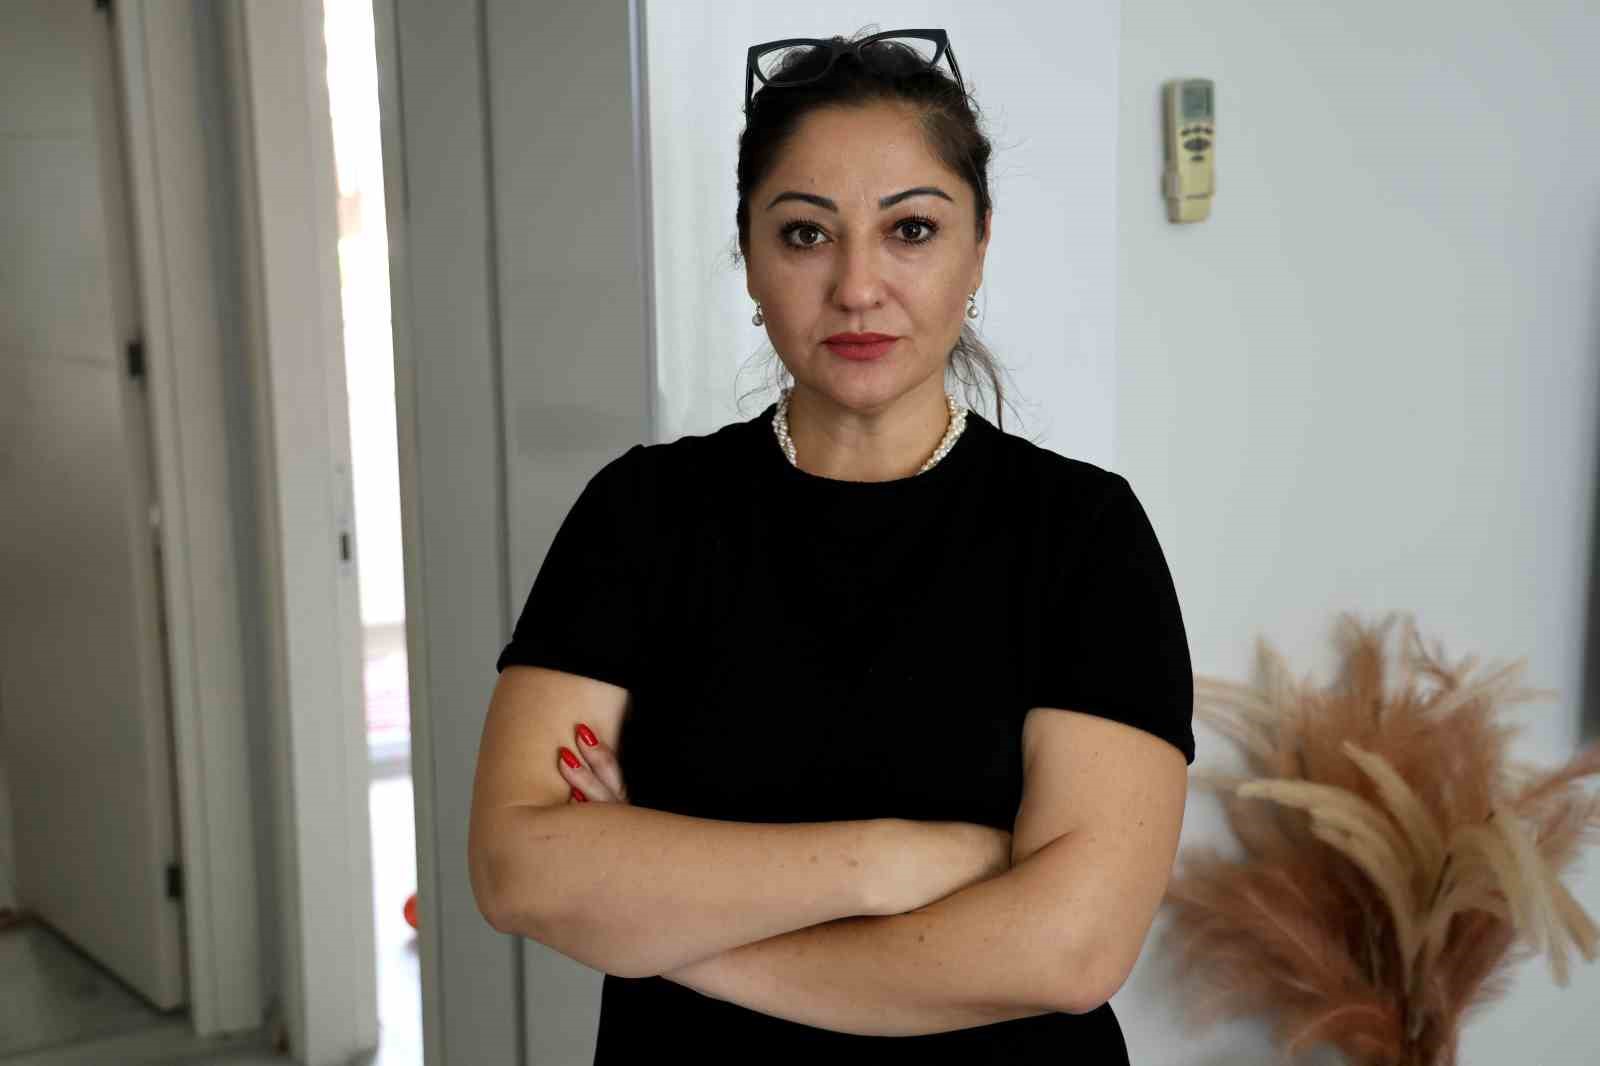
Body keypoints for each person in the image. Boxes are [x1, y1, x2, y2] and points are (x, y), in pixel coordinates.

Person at [469, 27, 1194, 1064]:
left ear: (979, 246)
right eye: (806, 233)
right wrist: (888, 862)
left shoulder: (1083, 534)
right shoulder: (641, 512)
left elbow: (1069, 951)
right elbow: (518, 869)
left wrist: (675, 939)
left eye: (911, 229)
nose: (857, 286)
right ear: (749, 254)